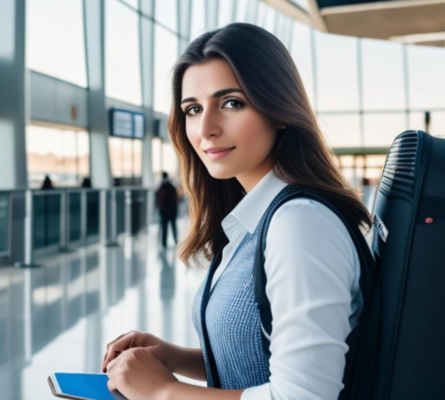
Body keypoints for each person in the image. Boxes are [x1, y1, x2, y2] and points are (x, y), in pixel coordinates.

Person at [101, 22, 372, 400]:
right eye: (193, 109)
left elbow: (302, 396)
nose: (206, 128)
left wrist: (163, 391)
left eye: (231, 103)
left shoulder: (300, 224)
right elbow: (265, 358)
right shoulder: (254, 220)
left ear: (278, 108)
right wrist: (174, 358)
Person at [155, 171, 178, 249]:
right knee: (173, 226)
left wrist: (159, 208)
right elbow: (175, 199)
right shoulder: (171, 186)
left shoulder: (161, 187)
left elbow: (158, 199)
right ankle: (175, 240)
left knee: (165, 227)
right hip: (171, 210)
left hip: (164, 211)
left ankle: (164, 243)